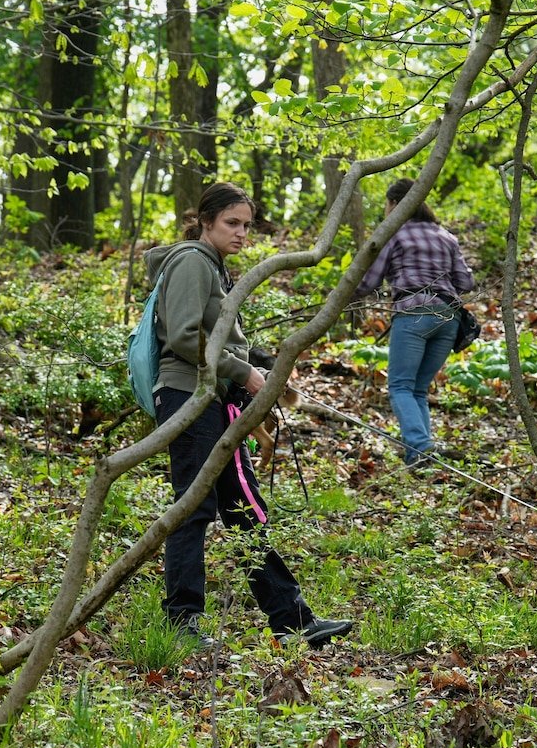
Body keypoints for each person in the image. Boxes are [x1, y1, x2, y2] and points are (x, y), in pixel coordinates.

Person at [146, 181, 354, 649]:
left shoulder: (212, 266)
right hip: (188, 398)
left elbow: (216, 339)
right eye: (231, 223)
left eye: (247, 224)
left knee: (242, 509)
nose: (242, 233)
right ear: (205, 222)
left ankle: (292, 620)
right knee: (192, 510)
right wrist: (242, 373)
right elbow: (182, 338)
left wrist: (252, 371)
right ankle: (181, 625)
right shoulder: (192, 262)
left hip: (210, 398)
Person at [357, 179, 475, 466]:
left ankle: (422, 449)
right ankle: (419, 456)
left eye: (387, 206)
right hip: (449, 317)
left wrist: (344, 292)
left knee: (400, 387)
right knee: (418, 389)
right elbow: (466, 281)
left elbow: (368, 281)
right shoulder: (446, 236)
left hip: (413, 314)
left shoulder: (394, 235)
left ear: (396, 205)